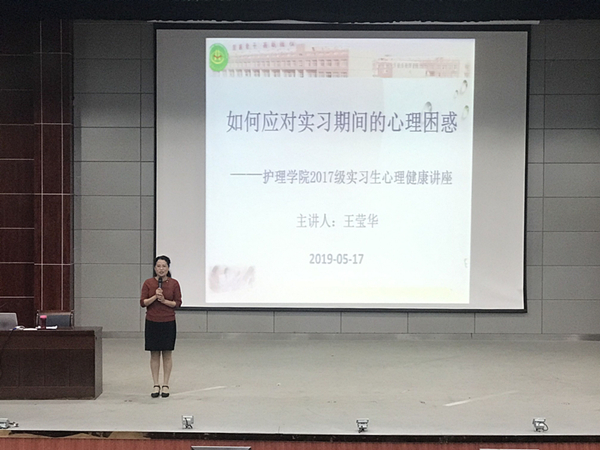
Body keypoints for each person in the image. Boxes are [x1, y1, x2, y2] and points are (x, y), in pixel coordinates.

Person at [140, 255, 182, 398]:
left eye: (164, 266)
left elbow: (177, 303)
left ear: (168, 268)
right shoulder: (148, 283)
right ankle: (155, 384)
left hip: (168, 322)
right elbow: (143, 303)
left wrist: (163, 300)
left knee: (167, 354)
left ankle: (165, 384)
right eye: (158, 266)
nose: (161, 269)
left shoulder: (174, 283)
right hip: (152, 322)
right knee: (154, 354)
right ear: (154, 268)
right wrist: (154, 296)